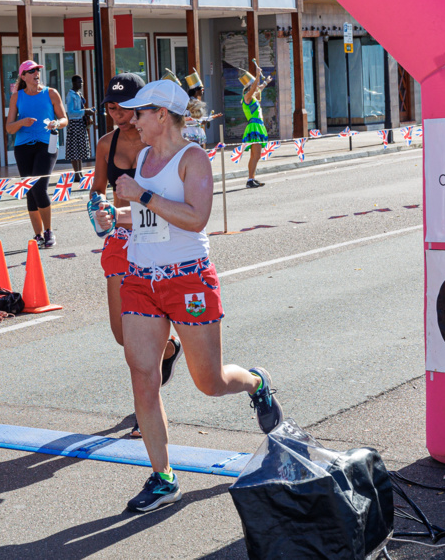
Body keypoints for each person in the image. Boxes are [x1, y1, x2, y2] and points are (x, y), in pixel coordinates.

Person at [95, 79, 283, 512]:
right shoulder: (144, 156)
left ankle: (256, 382)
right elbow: (147, 216)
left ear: (162, 115)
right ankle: (163, 477)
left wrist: (141, 195)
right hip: (141, 278)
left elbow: (196, 218)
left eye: (140, 112)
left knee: (210, 382)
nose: (132, 120)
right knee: (143, 375)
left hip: (188, 280)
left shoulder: (192, 157)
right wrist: (117, 217)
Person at [90, 74, 182, 440]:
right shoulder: (106, 143)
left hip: (154, 236)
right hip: (120, 237)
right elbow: (97, 189)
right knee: (121, 334)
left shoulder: (156, 143)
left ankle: (147, 411)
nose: (116, 114)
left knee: (140, 339)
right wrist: (98, 211)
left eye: (123, 107)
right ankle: (169, 348)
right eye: (111, 108)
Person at [5, 60, 68, 248]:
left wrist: (56, 123)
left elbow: (64, 119)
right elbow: (9, 128)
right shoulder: (17, 97)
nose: (36, 74)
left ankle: (48, 231)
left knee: (39, 187)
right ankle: (38, 235)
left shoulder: (51, 93)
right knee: (29, 190)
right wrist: (22, 122)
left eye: (37, 70)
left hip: (47, 144)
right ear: (23, 76)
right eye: (31, 71)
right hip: (23, 147)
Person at [242, 77, 269, 189]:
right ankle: (250, 179)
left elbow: (258, 89)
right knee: (256, 155)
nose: (257, 88)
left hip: (258, 126)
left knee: (255, 155)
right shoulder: (247, 97)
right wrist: (257, 76)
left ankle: (251, 179)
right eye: (254, 86)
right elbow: (254, 89)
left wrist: (266, 82)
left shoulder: (252, 97)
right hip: (254, 127)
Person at [65, 75, 92, 182]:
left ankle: (80, 172)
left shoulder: (79, 94)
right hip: (74, 124)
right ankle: (76, 174)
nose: (81, 84)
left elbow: (81, 108)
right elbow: (71, 112)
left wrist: (88, 110)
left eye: (82, 82)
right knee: (74, 150)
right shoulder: (70, 95)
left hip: (80, 124)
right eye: (78, 82)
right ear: (73, 83)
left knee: (80, 150)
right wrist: (85, 112)